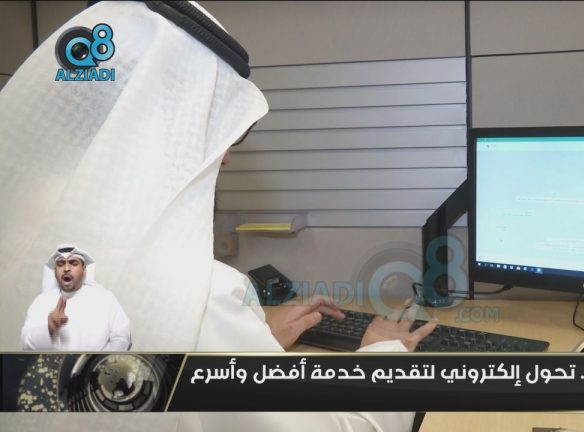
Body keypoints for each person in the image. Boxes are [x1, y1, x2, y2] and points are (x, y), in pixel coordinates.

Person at [0, 1, 434, 430]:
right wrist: (383, 354)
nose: (225, 157)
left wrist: (249, 344)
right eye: (213, 124)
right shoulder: (201, 296)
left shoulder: (18, 250)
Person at [20, 244, 131, 351]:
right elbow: (26, 345)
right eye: (61, 264)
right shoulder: (41, 302)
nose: (66, 268)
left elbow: (122, 337)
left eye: (73, 263)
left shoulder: (105, 298)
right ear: (55, 271)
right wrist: (48, 328)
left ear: (84, 269)